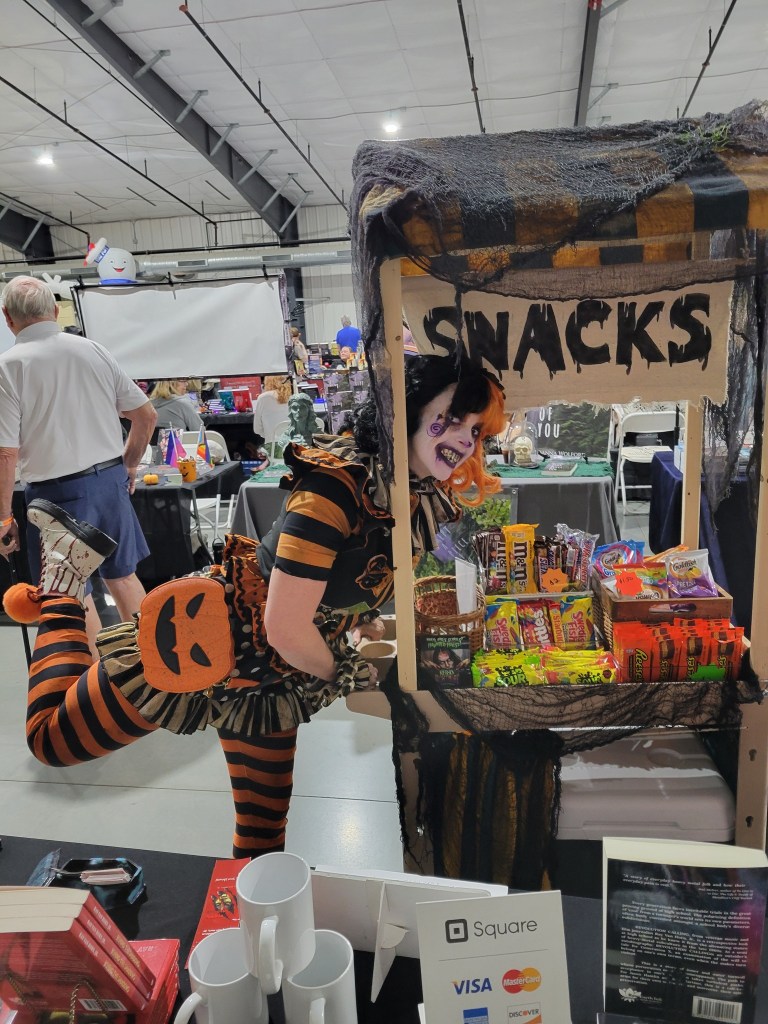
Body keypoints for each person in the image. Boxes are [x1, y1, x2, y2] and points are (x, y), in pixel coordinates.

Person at [15, 355, 506, 858]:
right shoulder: (335, 487)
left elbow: (346, 578)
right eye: (452, 419)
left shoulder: (413, 491)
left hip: (266, 679)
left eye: (476, 430)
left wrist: (357, 618)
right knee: (52, 740)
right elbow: (286, 628)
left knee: (263, 828)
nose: (465, 441)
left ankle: (257, 903)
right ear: (407, 411)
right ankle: (62, 581)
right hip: (206, 634)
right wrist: (341, 671)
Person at [0, 276, 156, 657]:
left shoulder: (8, 367)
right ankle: (157, 666)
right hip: (109, 482)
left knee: (70, 594)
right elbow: (146, 416)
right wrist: (129, 466)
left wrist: (3, 517)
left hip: (56, 496)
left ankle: (99, 679)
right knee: (123, 577)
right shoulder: (93, 350)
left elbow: (5, 454)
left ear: (8, 318)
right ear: (55, 311)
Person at [252, 375, 292, 446]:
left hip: (273, 448)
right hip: (295, 448)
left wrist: (270, 436)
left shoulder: (263, 398)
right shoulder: (296, 398)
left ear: (267, 382)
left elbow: (257, 429)